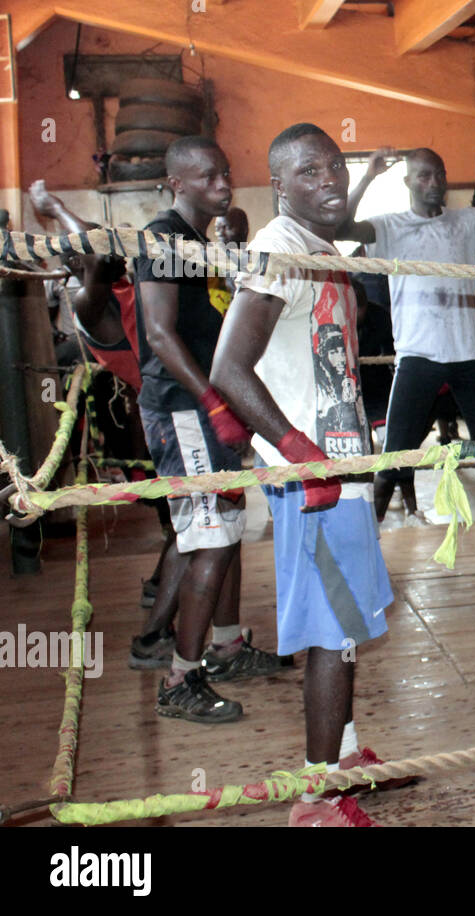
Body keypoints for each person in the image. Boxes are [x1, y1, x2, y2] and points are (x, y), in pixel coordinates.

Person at [211, 122, 405, 827]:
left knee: (347, 621)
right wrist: (298, 452)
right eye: (309, 172)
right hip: (313, 478)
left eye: (336, 168)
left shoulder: (320, 247)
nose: (329, 181)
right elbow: (227, 370)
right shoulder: (277, 249)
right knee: (331, 632)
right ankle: (319, 798)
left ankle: (345, 753)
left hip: (340, 466)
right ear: (280, 185)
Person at [133, 136, 283, 723]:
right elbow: (161, 334)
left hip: (202, 405)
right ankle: (179, 680)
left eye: (225, 173)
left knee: (227, 526)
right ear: (177, 183)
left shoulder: (198, 240)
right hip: (182, 407)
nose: (223, 185)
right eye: (208, 177)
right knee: (209, 539)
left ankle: (226, 647)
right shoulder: (163, 238)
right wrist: (213, 405)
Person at [340, 147, 475, 569]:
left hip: (468, 354)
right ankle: (365, 555)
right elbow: (341, 225)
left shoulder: (467, 222)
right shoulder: (389, 227)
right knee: (396, 456)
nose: (433, 184)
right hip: (417, 356)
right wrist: (366, 178)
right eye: (423, 177)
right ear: (408, 183)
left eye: (439, 175)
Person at [28, 179, 186, 667]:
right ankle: (152, 637)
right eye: (93, 248)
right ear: (80, 262)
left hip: (168, 410)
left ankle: (159, 586)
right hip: (165, 415)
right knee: (197, 525)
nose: (108, 247)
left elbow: (98, 249)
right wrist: (53, 208)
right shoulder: (86, 300)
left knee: (190, 520)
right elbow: (96, 252)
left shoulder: (116, 284)